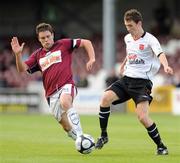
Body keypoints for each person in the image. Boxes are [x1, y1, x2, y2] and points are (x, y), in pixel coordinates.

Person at [95, 9, 173, 155]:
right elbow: (130, 52)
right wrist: (124, 63)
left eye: (130, 25)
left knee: (142, 117)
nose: (128, 29)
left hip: (142, 83)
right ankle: (103, 135)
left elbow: (160, 54)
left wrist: (166, 65)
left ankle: (161, 146)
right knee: (105, 98)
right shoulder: (127, 38)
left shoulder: (150, 39)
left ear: (139, 23)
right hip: (126, 79)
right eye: (126, 26)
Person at [11, 23, 95, 141]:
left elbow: (86, 42)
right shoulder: (37, 55)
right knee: (66, 127)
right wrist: (18, 55)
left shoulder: (63, 44)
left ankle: (81, 136)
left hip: (66, 85)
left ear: (52, 35)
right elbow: (21, 69)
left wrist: (92, 58)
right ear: (39, 40)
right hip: (51, 95)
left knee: (65, 101)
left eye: (48, 36)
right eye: (43, 38)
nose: (46, 40)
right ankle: (80, 141)